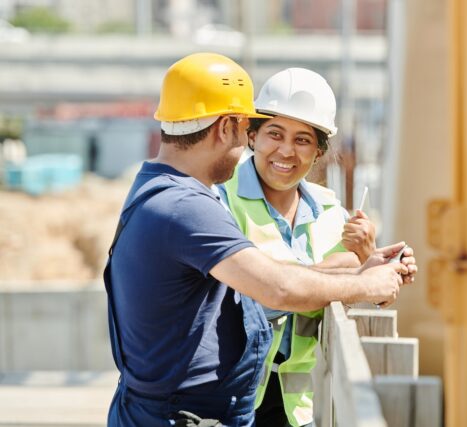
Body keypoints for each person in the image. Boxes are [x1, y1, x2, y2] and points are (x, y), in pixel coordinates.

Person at [104, 52, 412, 427]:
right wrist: (362, 282)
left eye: (302, 139)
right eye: (258, 130)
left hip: (186, 411)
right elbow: (276, 287)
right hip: (179, 415)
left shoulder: (164, 191)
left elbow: (276, 279)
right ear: (228, 128)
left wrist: (363, 268)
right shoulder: (189, 206)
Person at [216, 68, 416, 427]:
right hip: (230, 396)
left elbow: (349, 292)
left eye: (303, 139)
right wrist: (350, 273)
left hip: (298, 406)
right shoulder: (222, 200)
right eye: (274, 134)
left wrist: (373, 264)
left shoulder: (330, 210)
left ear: (319, 150)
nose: (286, 151)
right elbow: (257, 291)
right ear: (253, 136)